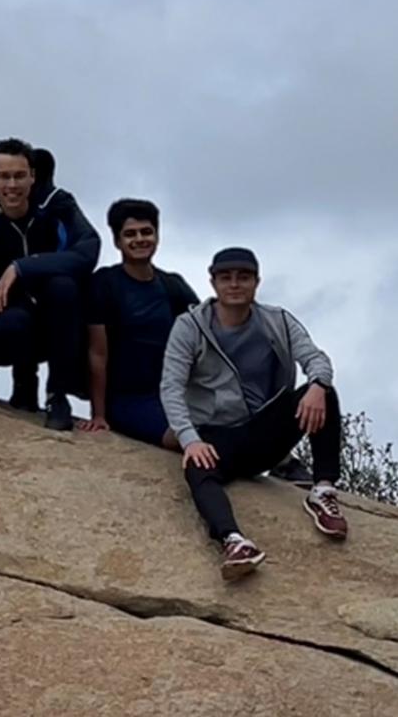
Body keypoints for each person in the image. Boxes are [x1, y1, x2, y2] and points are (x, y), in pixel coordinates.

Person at [160, 247, 348, 581]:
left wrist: (317, 384)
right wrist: (190, 440)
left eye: (243, 277)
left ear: (256, 282)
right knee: (198, 470)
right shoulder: (190, 327)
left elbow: (316, 359)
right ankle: (233, 541)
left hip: (263, 431)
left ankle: (322, 490)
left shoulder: (278, 321)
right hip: (216, 435)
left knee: (324, 394)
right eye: (226, 277)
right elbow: (171, 387)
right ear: (213, 282)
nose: (234, 284)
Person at [0, 138, 100, 430]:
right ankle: (24, 380)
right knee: (14, 319)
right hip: (2, 327)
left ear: (33, 176)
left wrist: (22, 267)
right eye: (4, 176)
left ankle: (57, 394)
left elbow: (88, 249)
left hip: (55, 323)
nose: (12, 185)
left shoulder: (56, 204)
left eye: (20, 176)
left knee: (64, 288)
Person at [79, 199, 198, 448]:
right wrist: (98, 415)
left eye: (147, 232)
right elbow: (97, 354)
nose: (139, 239)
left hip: (173, 392)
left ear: (157, 235)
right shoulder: (105, 284)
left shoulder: (172, 285)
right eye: (130, 234)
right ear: (117, 241)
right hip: (128, 399)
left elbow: (205, 335)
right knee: (184, 438)